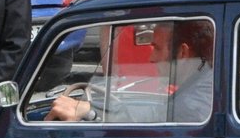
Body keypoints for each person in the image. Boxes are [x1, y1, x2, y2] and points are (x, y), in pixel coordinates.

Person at [48, 19, 216, 124]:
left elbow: (156, 116)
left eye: (156, 48)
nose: (152, 58)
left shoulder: (196, 101)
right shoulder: (205, 82)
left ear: (183, 53)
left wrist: (90, 111)